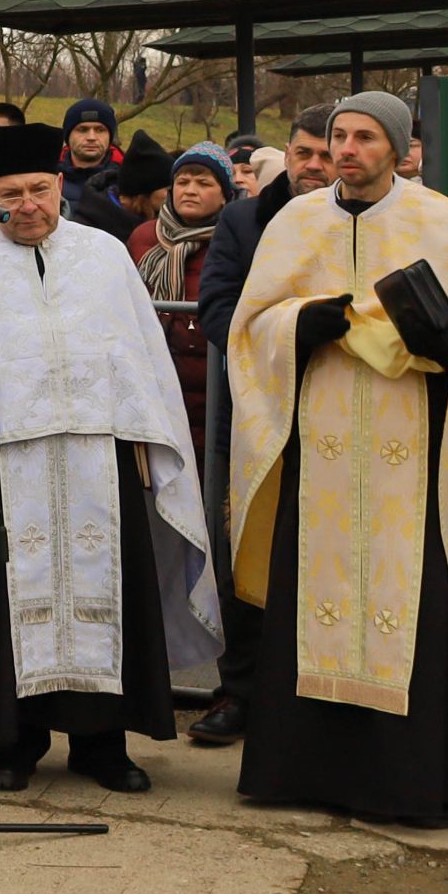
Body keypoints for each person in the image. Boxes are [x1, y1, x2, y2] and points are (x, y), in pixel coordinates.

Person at [0, 123, 222, 793]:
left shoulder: (103, 255)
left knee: (106, 594)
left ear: (60, 185)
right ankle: (14, 742)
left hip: (97, 461)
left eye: (40, 190)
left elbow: (139, 358)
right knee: (1, 599)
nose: (28, 206)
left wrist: (143, 437)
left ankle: (102, 743)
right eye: (11, 194)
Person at [228, 90, 448, 831]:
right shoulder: (294, 222)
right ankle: (300, 770)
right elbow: (249, 328)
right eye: (337, 137)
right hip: (318, 448)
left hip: (410, 454)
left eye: (363, 137)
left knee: (410, 606)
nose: (346, 149)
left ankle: (409, 783)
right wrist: (302, 322)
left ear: (397, 147)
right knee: (310, 599)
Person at [186, 105, 334, 743]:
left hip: (355, 421)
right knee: (246, 556)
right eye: (305, 153)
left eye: (328, 154)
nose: (317, 165)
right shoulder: (244, 220)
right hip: (257, 415)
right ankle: (239, 692)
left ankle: (324, 698)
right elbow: (219, 306)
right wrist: (293, 341)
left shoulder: (384, 222)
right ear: (288, 153)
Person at [129, 141, 232, 464]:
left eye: (204, 183)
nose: (190, 190)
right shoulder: (144, 237)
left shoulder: (234, 240)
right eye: (183, 182)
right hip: (158, 390)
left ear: (225, 194)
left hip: (215, 393)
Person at [70, 130, 169, 243]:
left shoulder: (162, 227)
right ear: (144, 192)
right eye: (167, 189)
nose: (173, 194)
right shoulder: (85, 230)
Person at [59, 97, 118, 209]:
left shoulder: (126, 181)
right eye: (82, 129)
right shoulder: (48, 179)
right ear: (68, 136)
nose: (91, 137)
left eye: (100, 130)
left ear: (110, 137)